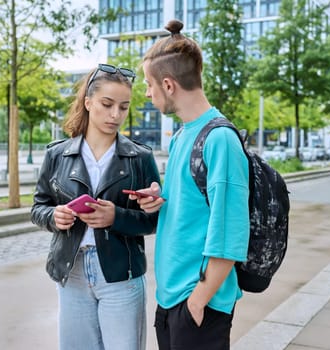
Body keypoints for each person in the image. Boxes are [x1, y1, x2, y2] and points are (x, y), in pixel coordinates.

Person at [135, 19, 250, 349]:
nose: (147, 92)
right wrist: (160, 197)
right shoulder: (183, 134)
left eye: (149, 84)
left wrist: (198, 301)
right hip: (171, 298)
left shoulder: (220, 140)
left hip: (199, 303)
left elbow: (230, 232)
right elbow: (192, 204)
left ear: (169, 85)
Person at [31, 63, 161, 350]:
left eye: (123, 107)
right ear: (88, 103)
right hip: (71, 271)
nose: (115, 115)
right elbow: (38, 207)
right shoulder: (57, 154)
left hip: (120, 275)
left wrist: (116, 216)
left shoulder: (140, 157)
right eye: (107, 104)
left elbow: (153, 221)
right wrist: (54, 216)